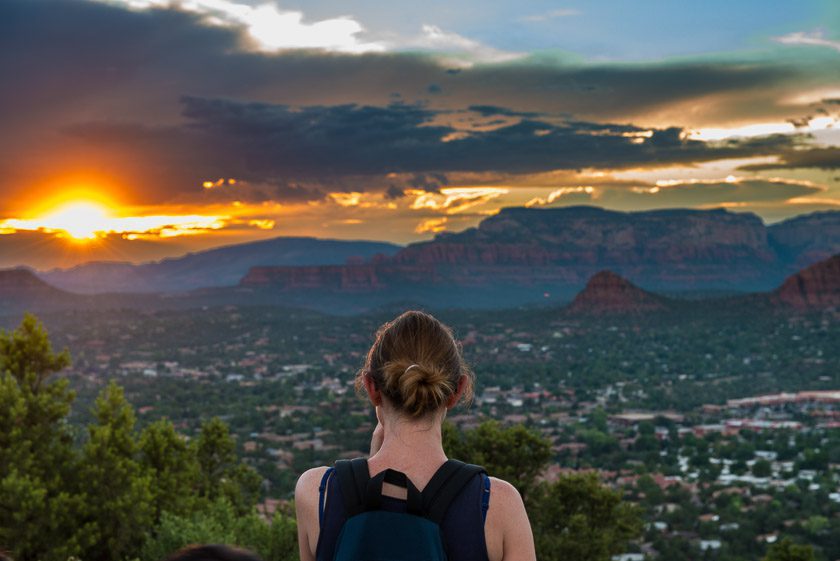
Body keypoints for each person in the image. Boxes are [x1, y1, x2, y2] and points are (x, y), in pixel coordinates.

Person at [295, 310, 536, 561]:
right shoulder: (498, 506)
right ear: (457, 391)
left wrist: (371, 463)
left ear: (371, 387)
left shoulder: (317, 493)